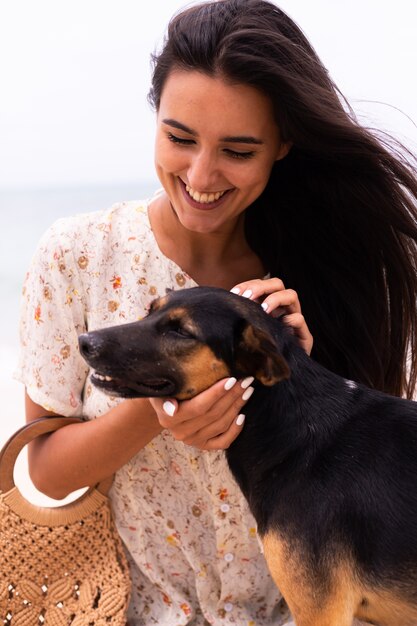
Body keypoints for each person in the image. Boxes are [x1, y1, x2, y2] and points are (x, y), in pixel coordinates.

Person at [15, 0, 417, 624]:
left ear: (283, 145)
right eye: (179, 137)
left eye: (238, 149)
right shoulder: (77, 257)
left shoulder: (326, 266)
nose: (201, 175)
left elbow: (380, 478)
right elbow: (39, 474)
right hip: (138, 612)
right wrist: (159, 410)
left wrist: (307, 374)